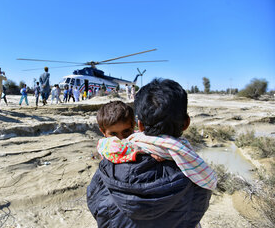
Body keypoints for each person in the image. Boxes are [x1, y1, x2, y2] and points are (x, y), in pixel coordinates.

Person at [87, 78, 214, 228]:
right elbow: (197, 209)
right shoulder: (196, 171)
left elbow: (95, 203)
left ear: (138, 125)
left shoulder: (109, 165)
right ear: (186, 123)